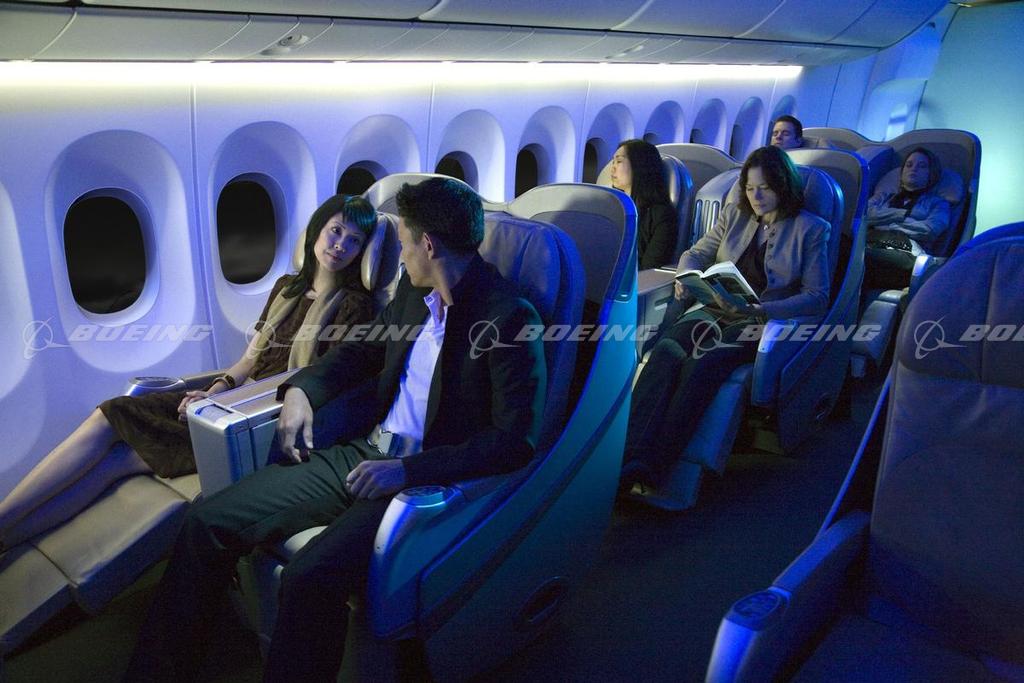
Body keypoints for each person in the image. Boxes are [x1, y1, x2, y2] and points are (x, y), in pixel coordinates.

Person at [123, 177, 547, 682]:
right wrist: (301, 390)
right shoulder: (415, 293)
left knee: (309, 576)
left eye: (405, 243)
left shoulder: (507, 317)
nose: (401, 256)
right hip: (364, 451)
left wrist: (407, 470)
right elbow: (362, 351)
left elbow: (513, 441)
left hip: (417, 480)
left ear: (429, 245)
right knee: (207, 520)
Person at [0, 194, 377, 550]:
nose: (340, 245)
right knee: (109, 414)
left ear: (361, 252)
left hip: (256, 423)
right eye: (336, 230)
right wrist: (212, 392)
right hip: (229, 401)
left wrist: (221, 408)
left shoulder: (354, 307)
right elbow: (249, 361)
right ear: (316, 230)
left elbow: (323, 382)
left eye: (354, 241)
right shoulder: (285, 289)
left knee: (119, 462)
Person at [621, 146, 830, 489]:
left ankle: (653, 465)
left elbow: (817, 297)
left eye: (764, 188)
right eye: (750, 188)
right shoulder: (735, 215)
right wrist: (685, 276)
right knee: (666, 352)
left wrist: (765, 310)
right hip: (713, 307)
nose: (755, 196)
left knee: (702, 365)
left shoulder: (811, 229)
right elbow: (696, 253)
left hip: (757, 321)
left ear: (783, 186)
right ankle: (628, 455)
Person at [863, 147, 952, 290]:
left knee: (857, 256)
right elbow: (863, 214)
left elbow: (930, 230)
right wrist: (902, 215)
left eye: (922, 166)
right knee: (839, 242)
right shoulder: (884, 196)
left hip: (906, 251)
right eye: (909, 165)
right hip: (871, 242)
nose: (914, 169)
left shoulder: (938, 204)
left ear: (931, 173)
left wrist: (888, 223)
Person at [610, 139, 677, 269]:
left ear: (639, 166)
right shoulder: (612, 208)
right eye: (613, 162)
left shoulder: (662, 215)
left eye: (619, 161)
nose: (612, 168)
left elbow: (651, 268)